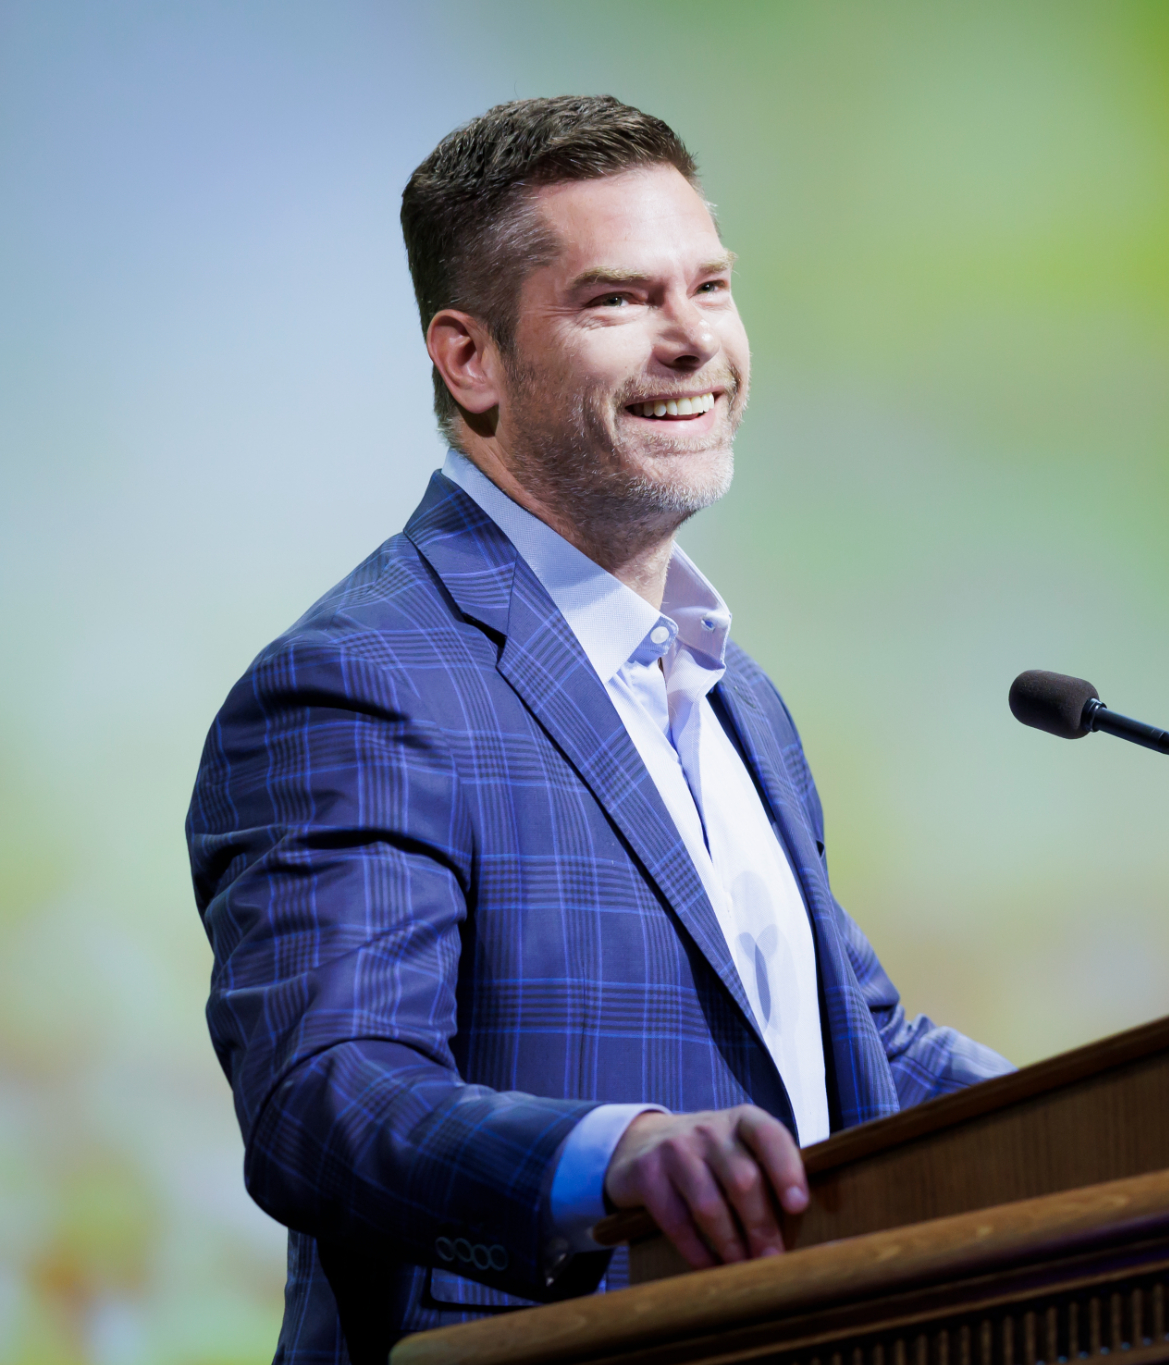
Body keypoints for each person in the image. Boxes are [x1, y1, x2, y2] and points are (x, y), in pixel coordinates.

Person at [187, 95, 1012, 1365]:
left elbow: (858, 1049)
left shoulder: (731, 690)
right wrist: (615, 1156)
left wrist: (1149, 1113)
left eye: (710, 287)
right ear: (470, 361)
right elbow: (325, 1099)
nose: (693, 341)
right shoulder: (360, 681)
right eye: (618, 301)